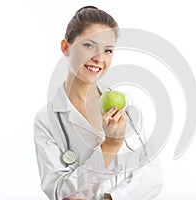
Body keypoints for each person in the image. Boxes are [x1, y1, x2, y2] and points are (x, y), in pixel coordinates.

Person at [34, 6, 163, 200]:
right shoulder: (47, 120)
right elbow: (59, 191)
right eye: (88, 45)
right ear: (66, 47)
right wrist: (110, 145)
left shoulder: (127, 105)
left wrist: (110, 198)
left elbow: (153, 178)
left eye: (108, 50)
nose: (99, 58)